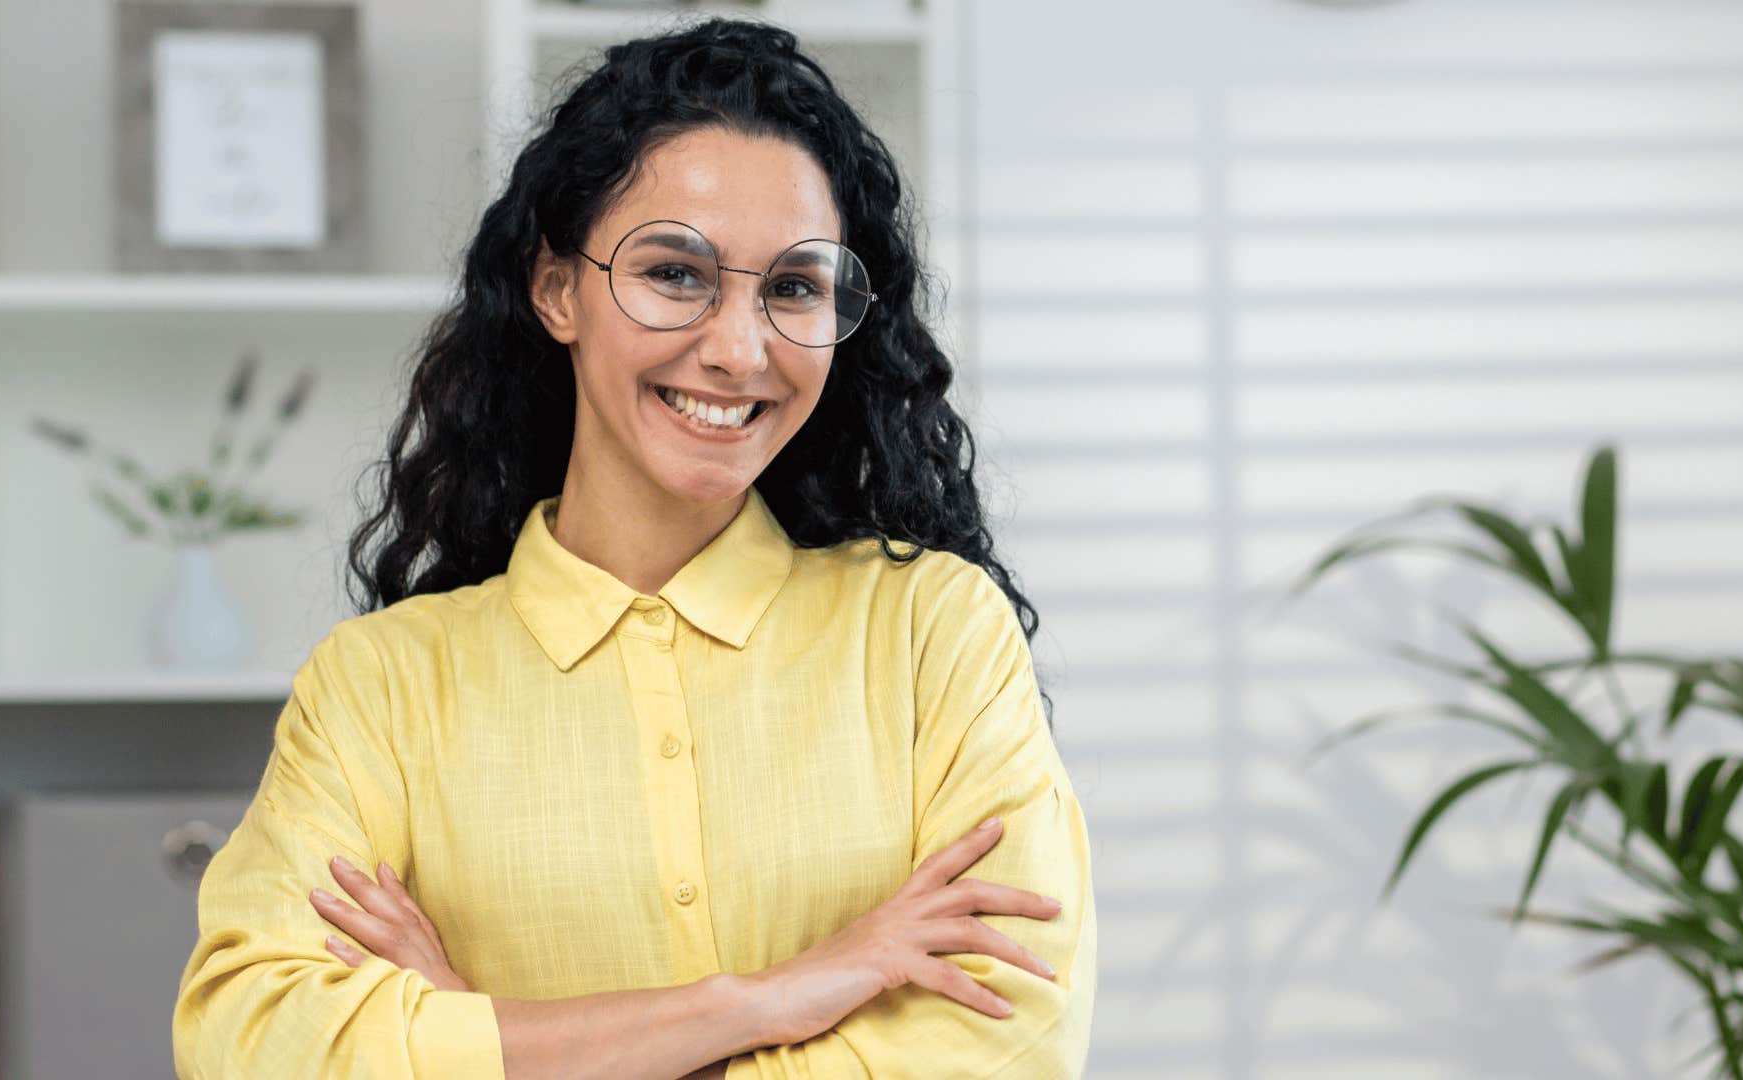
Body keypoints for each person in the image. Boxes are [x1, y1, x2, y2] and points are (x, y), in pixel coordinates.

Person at [172, 17, 1095, 1079]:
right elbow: (249, 1043)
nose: (739, 349)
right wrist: (764, 1002)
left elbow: (1006, 1044)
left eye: (793, 288)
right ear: (557, 288)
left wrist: (490, 1034)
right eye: (675, 273)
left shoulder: (934, 637)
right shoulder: (382, 690)